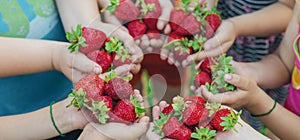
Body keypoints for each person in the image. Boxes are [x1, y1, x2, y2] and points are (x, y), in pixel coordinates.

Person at [182, 0, 295, 133]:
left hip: (262, 46)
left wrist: (236, 26)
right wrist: (203, 12)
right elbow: (282, 61)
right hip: (226, 34)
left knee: (252, 121)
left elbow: (288, 7)